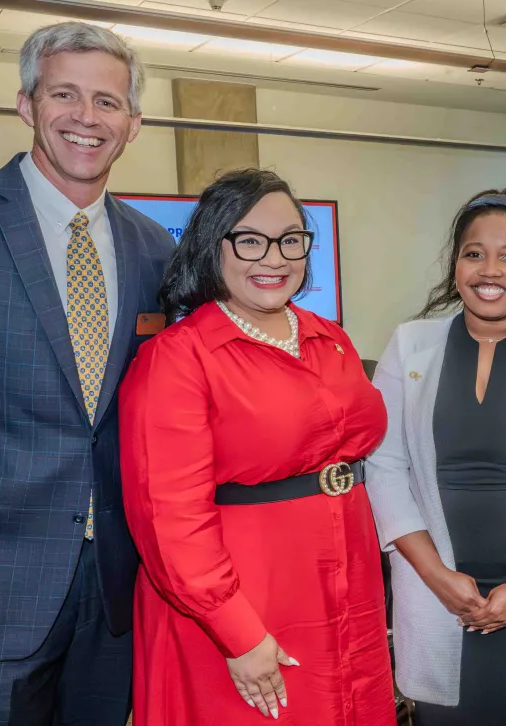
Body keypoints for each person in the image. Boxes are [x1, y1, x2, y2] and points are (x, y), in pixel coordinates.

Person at [0, 22, 174, 725]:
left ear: (133, 123)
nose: (86, 117)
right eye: (64, 94)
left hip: (111, 596)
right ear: (26, 104)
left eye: (108, 102)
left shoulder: (153, 248)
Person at [118, 168, 396, 725]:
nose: (274, 258)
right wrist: (238, 633)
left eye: (291, 239)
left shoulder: (328, 336)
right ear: (211, 246)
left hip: (344, 582)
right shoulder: (179, 357)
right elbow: (169, 517)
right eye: (250, 240)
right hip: (242, 598)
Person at [366, 188, 506, 726]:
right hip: (435, 594)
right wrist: (437, 577)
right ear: (455, 266)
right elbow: (384, 467)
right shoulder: (408, 345)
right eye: (474, 253)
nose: (489, 270)